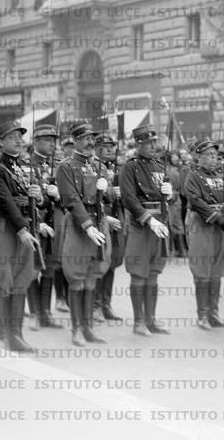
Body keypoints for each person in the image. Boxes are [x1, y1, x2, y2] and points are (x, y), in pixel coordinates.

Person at [57, 122, 120, 346]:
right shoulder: (66, 166)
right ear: (74, 140)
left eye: (91, 137)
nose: (90, 141)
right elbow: (71, 199)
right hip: (78, 225)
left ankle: (88, 328)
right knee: (76, 276)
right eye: (84, 137)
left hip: (100, 222)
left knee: (93, 274)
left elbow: (110, 198)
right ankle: (76, 329)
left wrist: (108, 189)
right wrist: (87, 224)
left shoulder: (100, 166)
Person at [0, 120, 42, 351]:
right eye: (12, 137)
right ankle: (2, 334)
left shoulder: (28, 167)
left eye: (20, 136)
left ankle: (16, 334)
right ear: (0, 142)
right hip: (4, 226)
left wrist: (38, 196)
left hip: (25, 225)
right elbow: (5, 202)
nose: (18, 140)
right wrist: (22, 229)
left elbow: (37, 200)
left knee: (21, 278)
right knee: (2, 279)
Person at [119, 125, 174, 336]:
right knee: (139, 274)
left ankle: (151, 319)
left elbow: (167, 196)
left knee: (153, 274)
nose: (153, 146)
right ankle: (138, 321)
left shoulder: (161, 165)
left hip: (160, 224)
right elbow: (129, 198)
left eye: (154, 142)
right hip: (141, 224)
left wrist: (170, 195)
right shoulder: (130, 167)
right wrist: (148, 219)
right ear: (138, 144)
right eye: (148, 143)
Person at [183, 140, 224, 329]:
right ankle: (202, 315)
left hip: (221, 225)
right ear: (199, 157)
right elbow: (195, 200)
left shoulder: (221, 175)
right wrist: (216, 217)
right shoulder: (193, 176)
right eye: (210, 155)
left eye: (216, 156)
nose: (214, 159)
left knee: (216, 270)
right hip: (203, 223)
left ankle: (214, 313)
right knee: (202, 268)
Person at [25, 124, 63, 331]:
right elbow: (22, 198)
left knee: (49, 269)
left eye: (53, 140)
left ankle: (46, 312)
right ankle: (34, 312)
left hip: (53, 224)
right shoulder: (25, 165)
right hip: (33, 224)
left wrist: (58, 196)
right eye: (47, 140)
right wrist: (36, 222)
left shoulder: (56, 167)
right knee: (33, 269)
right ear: (36, 142)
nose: (52, 144)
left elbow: (68, 198)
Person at [93, 133, 124, 321]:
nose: (111, 149)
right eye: (106, 146)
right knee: (100, 262)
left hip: (116, 217)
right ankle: (95, 305)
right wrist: (112, 192)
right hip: (100, 218)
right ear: (97, 148)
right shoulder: (92, 166)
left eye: (112, 146)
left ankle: (106, 304)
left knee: (112, 263)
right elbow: (93, 195)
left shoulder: (114, 167)